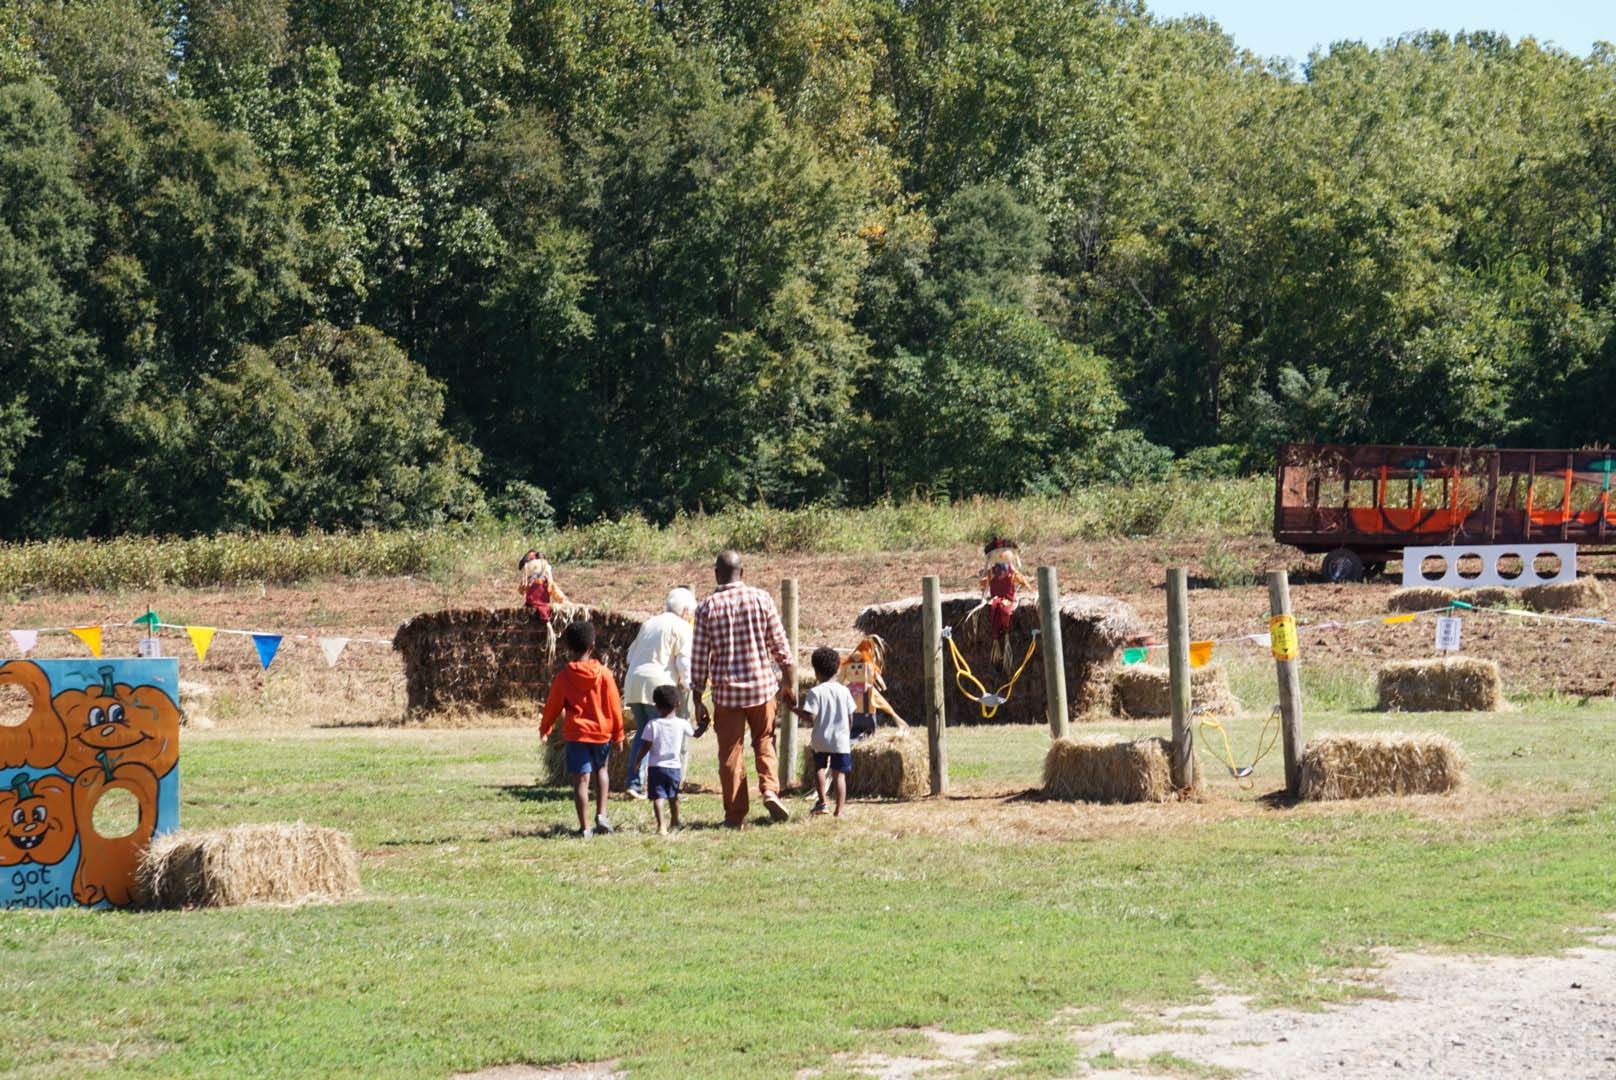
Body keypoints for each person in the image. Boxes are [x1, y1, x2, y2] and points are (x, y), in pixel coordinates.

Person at [690, 550, 796, 828]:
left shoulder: (706, 607)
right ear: (743, 572)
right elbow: (780, 646)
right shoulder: (761, 598)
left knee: (730, 752)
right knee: (764, 740)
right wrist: (789, 682)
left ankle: (735, 815)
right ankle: (770, 790)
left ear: (716, 574)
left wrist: (698, 698)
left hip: (726, 693)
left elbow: (700, 657)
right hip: (761, 688)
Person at [540, 620, 623, 838]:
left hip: (577, 734)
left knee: (581, 780)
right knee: (601, 771)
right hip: (601, 733)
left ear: (567, 648)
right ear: (592, 645)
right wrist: (619, 733)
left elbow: (553, 706)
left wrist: (545, 727)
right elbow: (615, 704)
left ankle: (585, 827)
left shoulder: (564, 677)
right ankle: (602, 815)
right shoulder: (604, 674)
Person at [621, 587, 696, 798]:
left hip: (634, 684)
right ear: (685, 610)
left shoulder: (649, 623)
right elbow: (683, 660)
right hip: (660, 687)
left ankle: (633, 783)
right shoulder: (682, 627)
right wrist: (688, 684)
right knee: (664, 739)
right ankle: (666, 787)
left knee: (643, 735)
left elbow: (629, 656)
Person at [796, 645, 855, 818]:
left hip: (821, 739)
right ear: (837, 669)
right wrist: (847, 732)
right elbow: (850, 716)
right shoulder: (845, 691)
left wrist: (793, 710)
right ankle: (839, 811)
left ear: (816, 672)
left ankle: (822, 803)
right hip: (840, 740)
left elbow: (811, 718)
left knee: (819, 769)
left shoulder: (815, 692)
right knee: (839, 776)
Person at [631, 684, 694, 834]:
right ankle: (675, 821)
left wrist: (638, 761)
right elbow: (694, 733)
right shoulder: (682, 723)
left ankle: (661, 826)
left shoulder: (652, 725)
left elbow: (645, 746)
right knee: (673, 796)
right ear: (678, 704)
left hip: (655, 767)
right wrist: (703, 726)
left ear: (656, 706)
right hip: (674, 768)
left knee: (658, 797)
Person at [519, 548, 569, 619]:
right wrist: (563, 600)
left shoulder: (527, 567)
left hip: (532, 599)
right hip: (542, 597)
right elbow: (552, 586)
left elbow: (522, 588)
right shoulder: (545, 566)